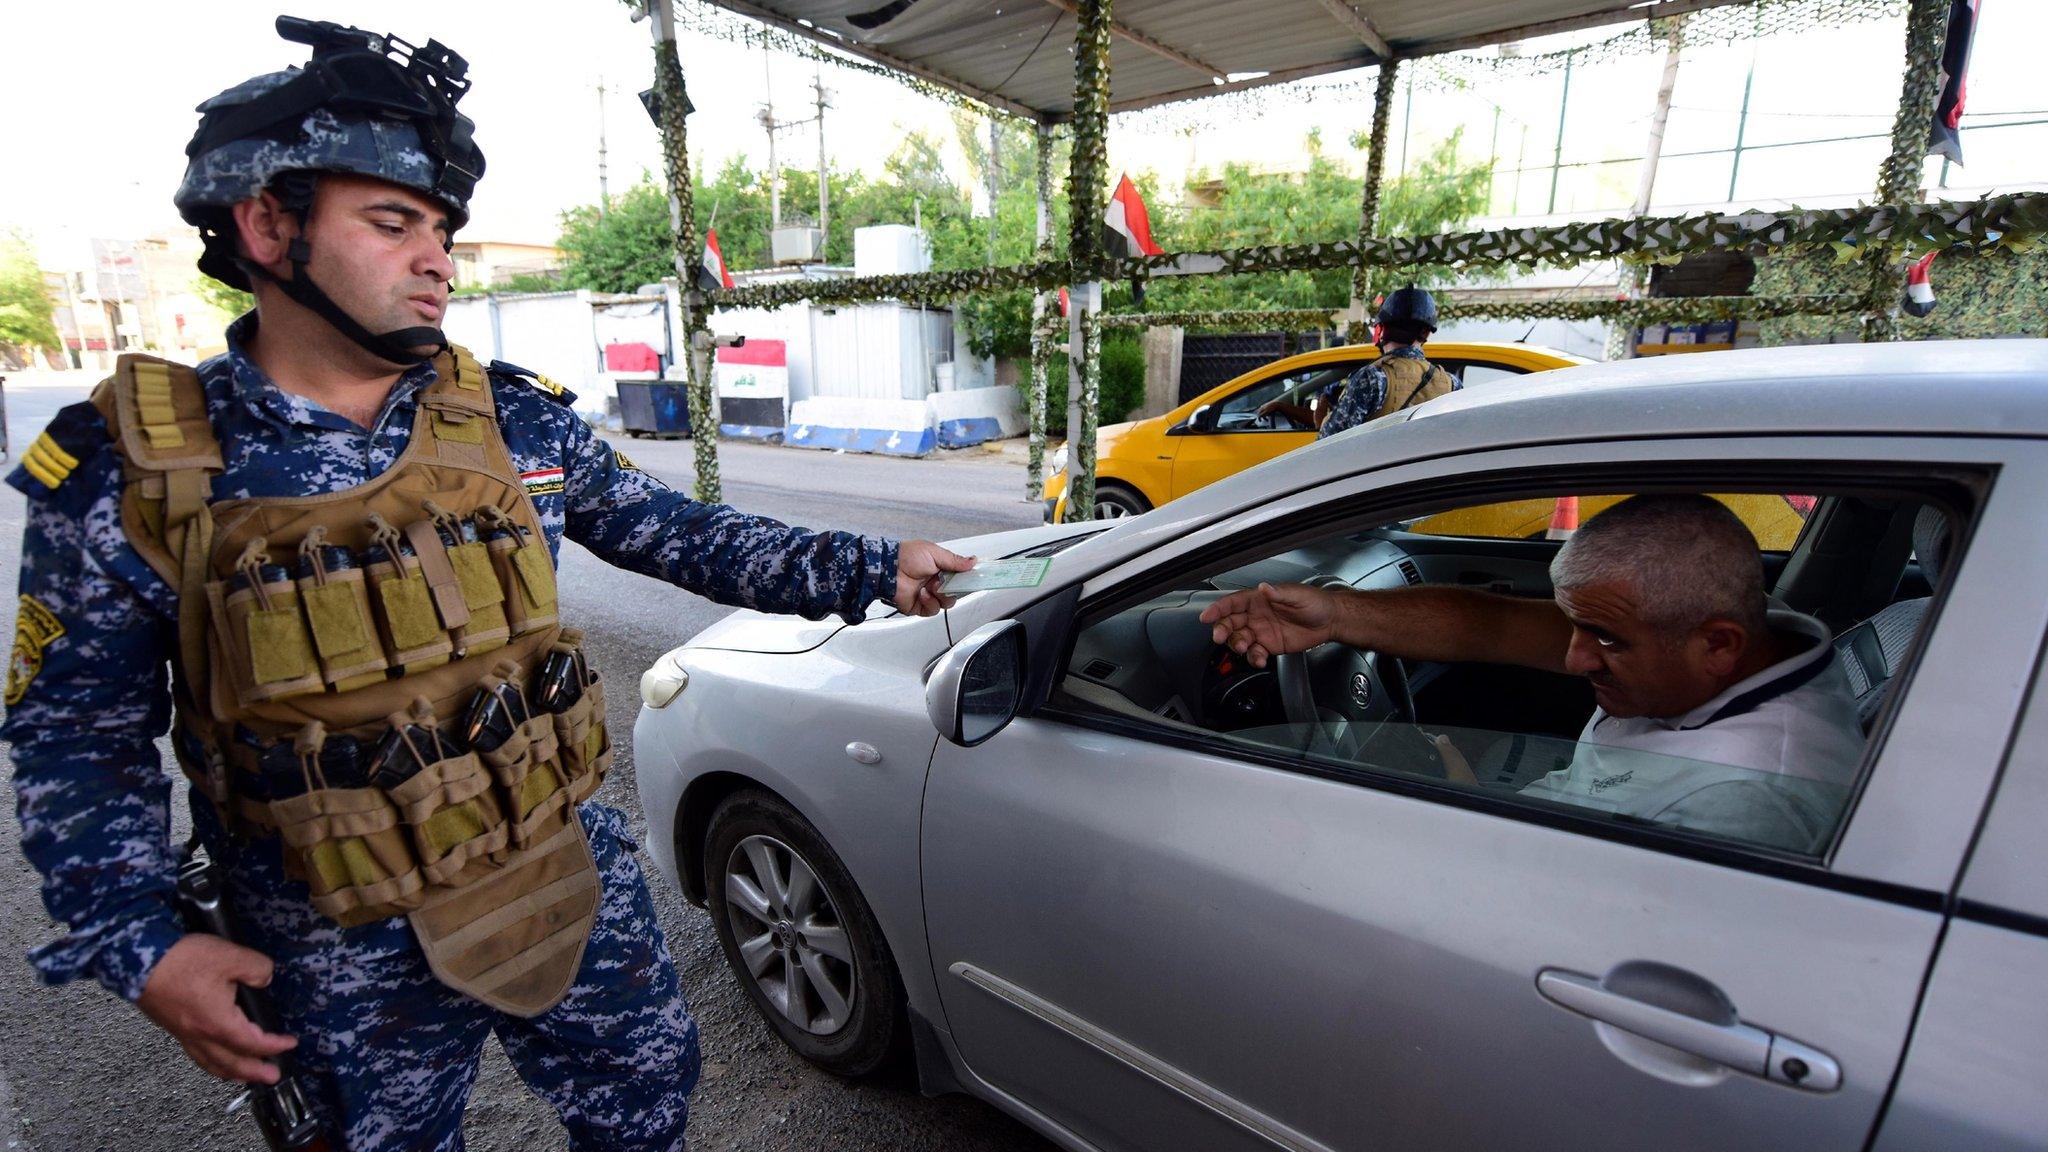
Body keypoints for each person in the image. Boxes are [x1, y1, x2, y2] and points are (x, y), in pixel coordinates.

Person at [2, 20, 969, 1151]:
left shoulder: (508, 416)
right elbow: (73, 733)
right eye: (392, 222)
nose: (438, 260)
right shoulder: (142, 468)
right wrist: (145, 942)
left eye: (443, 232)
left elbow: (672, 534)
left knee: (647, 1116)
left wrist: (867, 566)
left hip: (557, 875)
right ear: (267, 225)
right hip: (329, 941)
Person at [1199, 495, 1866, 846]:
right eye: (1576, 625)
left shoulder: (1745, 798)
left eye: (1603, 639)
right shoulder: (1720, 633)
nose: (1574, 658)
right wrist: (1334, 617)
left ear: (1718, 645)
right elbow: (1496, 625)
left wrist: (1467, 814)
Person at [1276, 285, 1458, 438]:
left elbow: (1330, 445)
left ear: (1383, 329)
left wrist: (1321, 421)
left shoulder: (1372, 379)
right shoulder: (1452, 384)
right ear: (1426, 333)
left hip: (1379, 480)